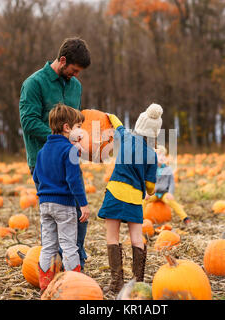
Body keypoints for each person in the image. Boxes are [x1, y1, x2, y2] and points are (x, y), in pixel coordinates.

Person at [19, 37, 91, 270]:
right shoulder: (34, 84)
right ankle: (58, 268)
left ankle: (73, 261)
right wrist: (61, 138)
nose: (76, 75)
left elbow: (76, 122)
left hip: (69, 161)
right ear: (62, 61)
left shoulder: (75, 87)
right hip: (44, 162)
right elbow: (28, 122)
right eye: (74, 70)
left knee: (79, 215)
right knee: (54, 217)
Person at [97, 103, 163, 293]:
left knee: (112, 236)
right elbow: (150, 189)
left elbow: (117, 124)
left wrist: (108, 114)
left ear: (140, 124)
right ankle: (137, 284)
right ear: (154, 133)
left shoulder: (126, 138)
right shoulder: (152, 154)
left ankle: (116, 282)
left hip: (115, 193)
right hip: (134, 199)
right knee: (136, 238)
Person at [33, 104, 91, 293]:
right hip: (64, 205)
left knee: (48, 246)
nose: (80, 131)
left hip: (45, 204)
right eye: (77, 127)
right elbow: (74, 180)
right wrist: (83, 204)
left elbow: (36, 177)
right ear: (67, 128)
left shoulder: (42, 151)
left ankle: (45, 286)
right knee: (68, 245)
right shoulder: (70, 151)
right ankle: (72, 285)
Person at [143, 145, 191, 225]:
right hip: (153, 193)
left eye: (164, 155)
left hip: (164, 193)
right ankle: (140, 218)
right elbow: (147, 182)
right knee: (143, 201)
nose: (162, 157)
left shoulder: (168, 169)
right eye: (159, 155)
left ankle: (185, 218)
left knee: (173, 202)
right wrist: (147, 192)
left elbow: (171, 182)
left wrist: (170, 193)